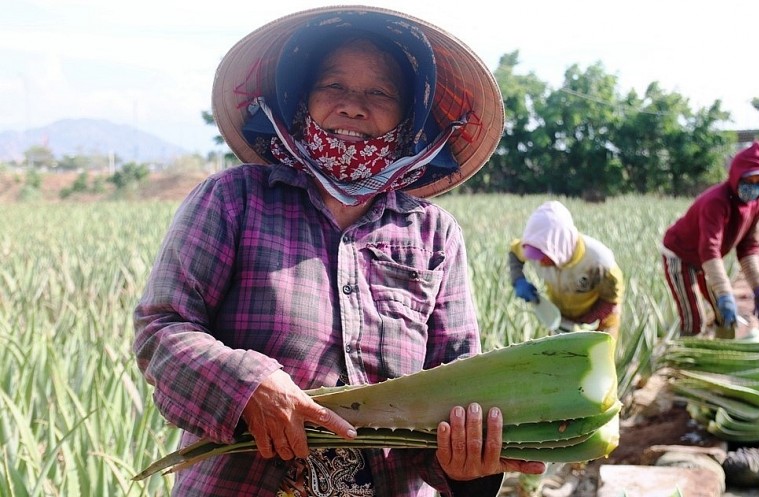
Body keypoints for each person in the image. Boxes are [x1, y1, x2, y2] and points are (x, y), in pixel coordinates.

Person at [133, 6, 544, 496]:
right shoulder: (233, 200)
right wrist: (247, 386)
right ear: (300, 98)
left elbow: (456, 385)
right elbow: (161, 330)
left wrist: (470, 459)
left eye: (379, 92)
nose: (353, 106)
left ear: (409, 114)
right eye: (333, 86)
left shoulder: (433, 235)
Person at [661, 140, 759, 336]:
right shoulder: (716, 201)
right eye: (749, 180)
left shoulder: (756, 205)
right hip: (680, 254)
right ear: (736, 176)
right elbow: (709, 248)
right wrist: (725, 292)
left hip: (704, 259)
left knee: (725, 314)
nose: (754, 187)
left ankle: (723, 354)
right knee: (694, 318)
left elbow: (748, 248)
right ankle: (688, 358)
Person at [508, 200, 624, 340]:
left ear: (560, 246)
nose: (539, 262)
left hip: (598, 321)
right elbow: (515, 252)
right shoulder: (534, 247)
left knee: (597, 359)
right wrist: (518, 280)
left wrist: (585, 321)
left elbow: (611, 300)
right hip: (559, 317)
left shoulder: (599, 262)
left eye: (543, 256)